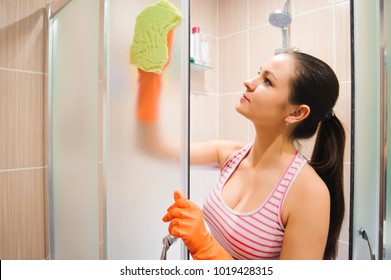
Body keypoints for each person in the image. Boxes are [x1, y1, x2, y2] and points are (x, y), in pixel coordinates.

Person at [161, 50, 346, 260]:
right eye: (259, 73)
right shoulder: (230, 154)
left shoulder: (309, 193)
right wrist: (151, 75)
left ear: (296, 113)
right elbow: (155, 149)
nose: (248, 82)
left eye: (267, 81)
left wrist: (206, 247)